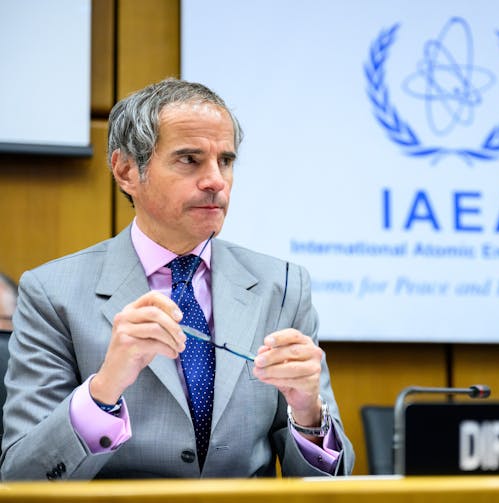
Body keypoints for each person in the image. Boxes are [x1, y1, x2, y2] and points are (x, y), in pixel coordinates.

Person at [0, 78, 354, 480]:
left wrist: (308, 414)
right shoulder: (53, 294)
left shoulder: (284, 287)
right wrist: (104, 390)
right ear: (126, 170)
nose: (216, 181)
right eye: (190, 160)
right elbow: (21, 478)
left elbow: (329, 484)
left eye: (226, 161)